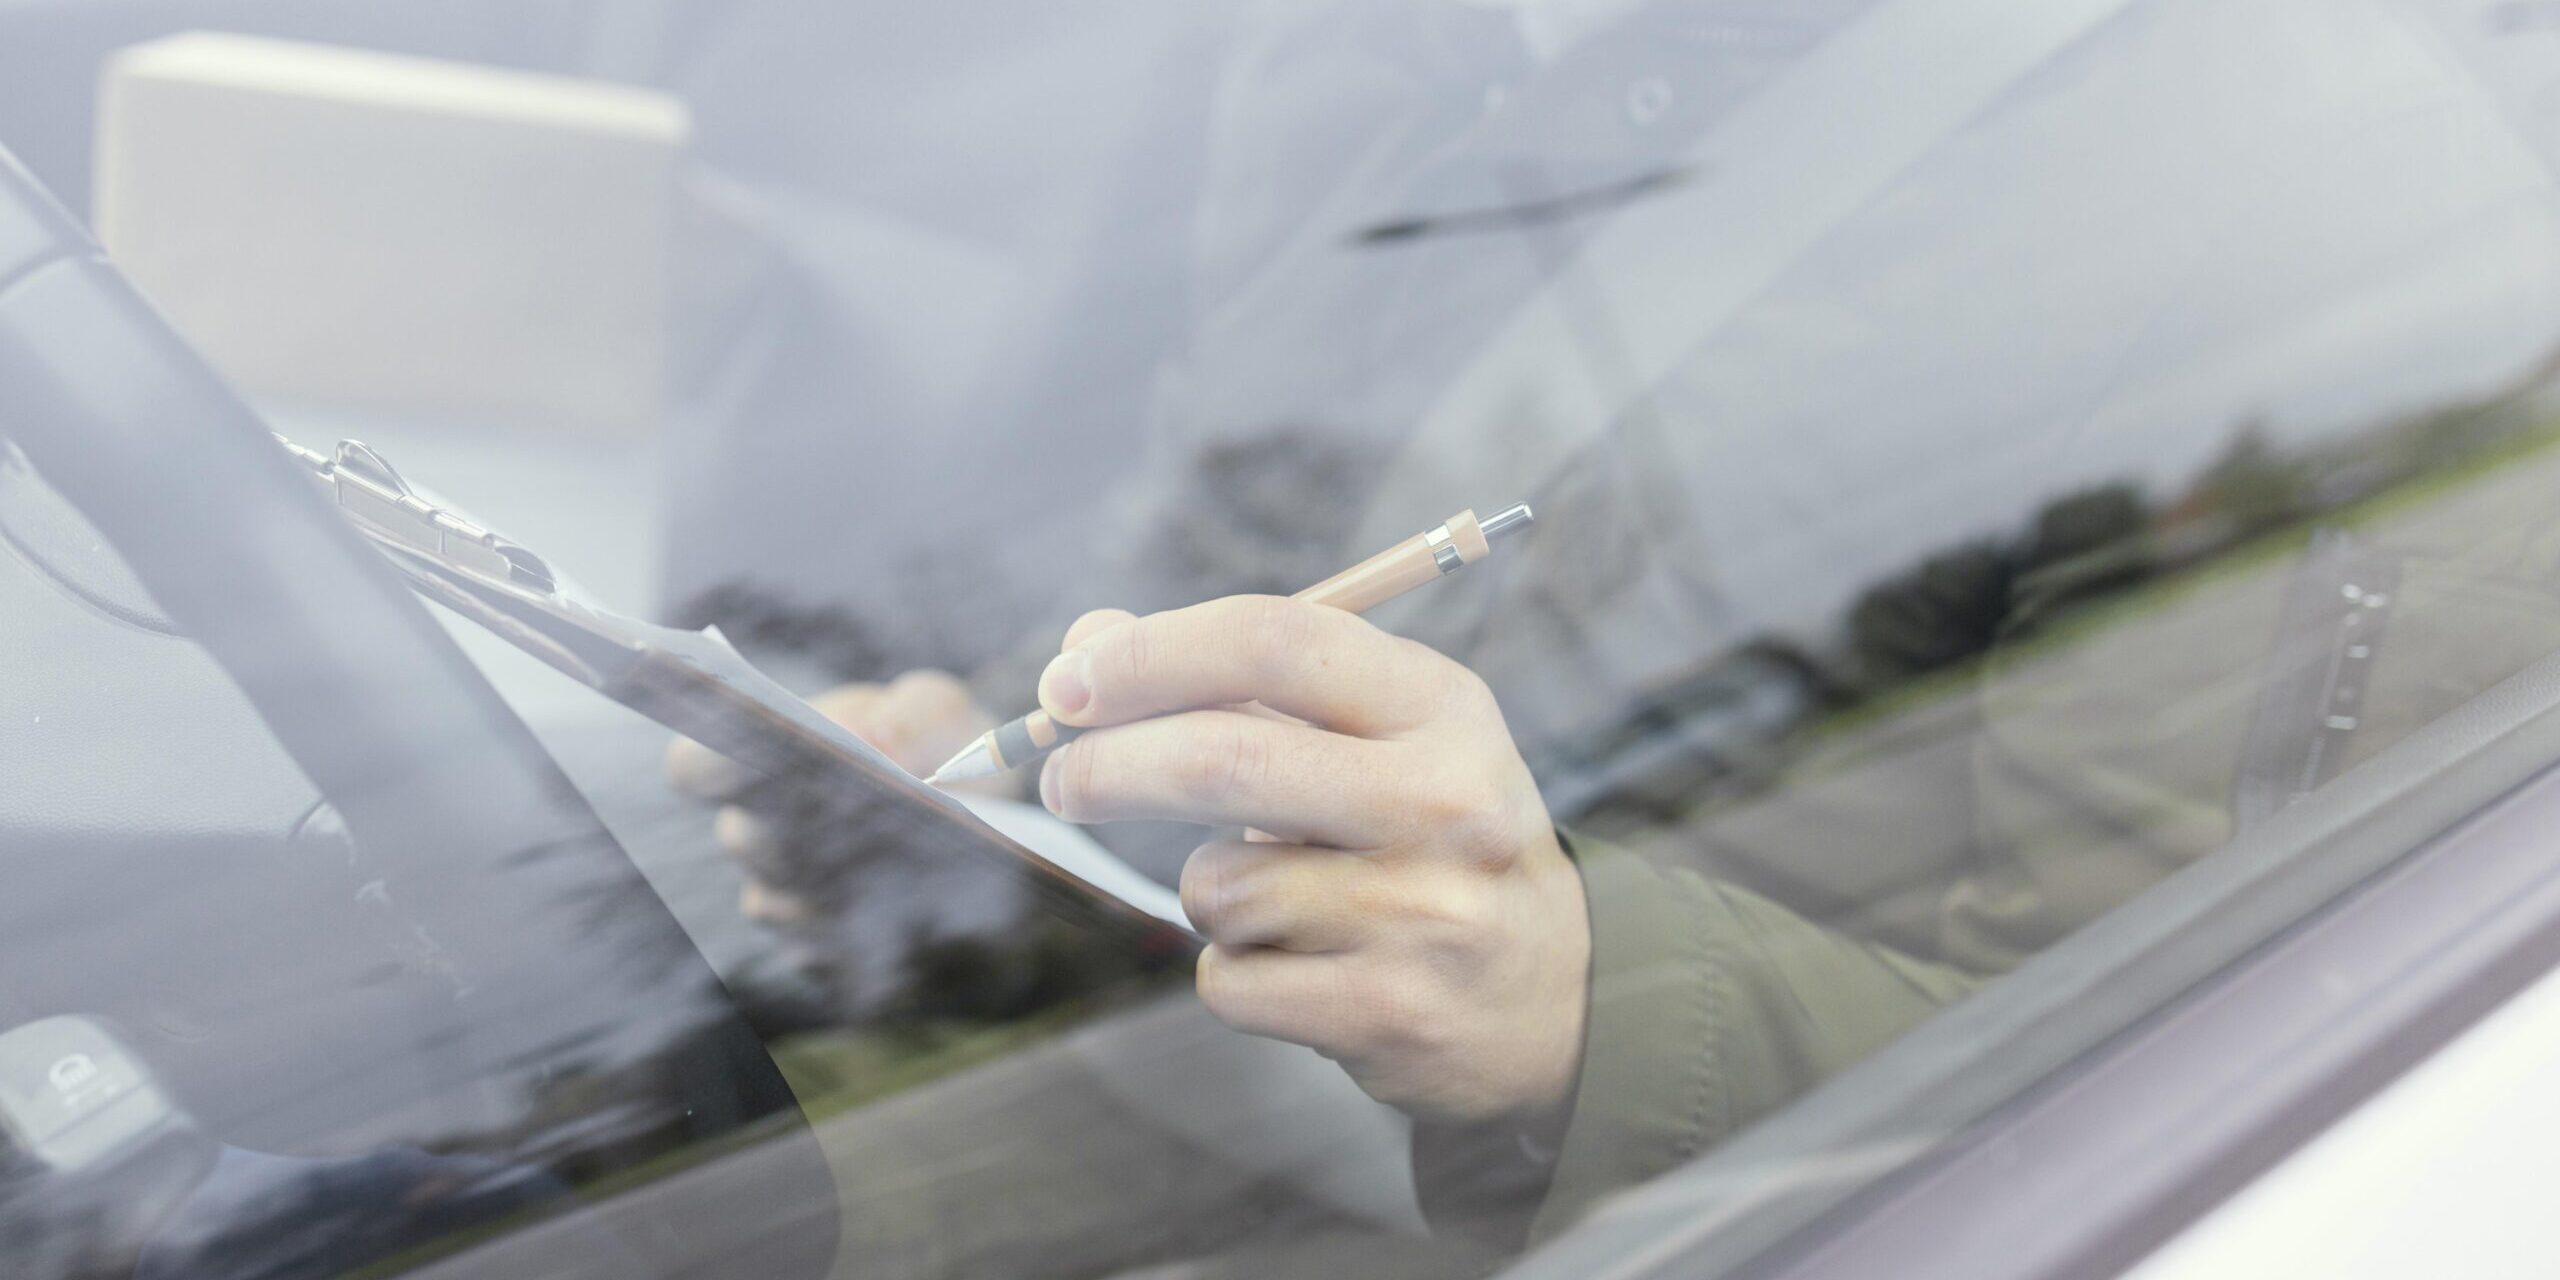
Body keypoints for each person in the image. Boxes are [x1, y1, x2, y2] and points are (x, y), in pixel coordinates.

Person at [671, 0, 2560, 1253]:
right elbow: (1229, 549)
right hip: (1112, 1061)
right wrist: (989, 777)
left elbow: (2212, 1119)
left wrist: (1572, 1002)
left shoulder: (2361, 218)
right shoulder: (1389, 44)